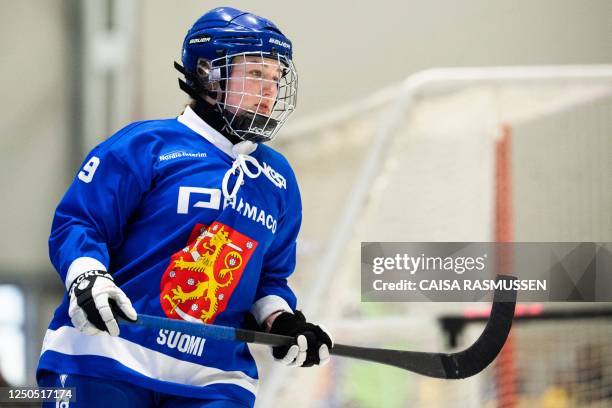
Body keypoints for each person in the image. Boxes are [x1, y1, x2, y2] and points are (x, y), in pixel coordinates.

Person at [37, 7, 332, 408]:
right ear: (209, 73)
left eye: (277, 77)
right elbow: (80, 222)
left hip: (213, 378)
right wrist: (88, 278)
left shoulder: (278, 179)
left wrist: (282, 320)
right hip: (107, 355)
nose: (270, 90)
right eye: (256, 74)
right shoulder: (147, 145)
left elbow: (270, 279)